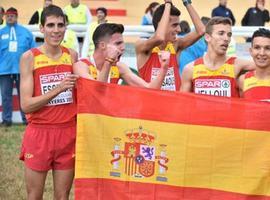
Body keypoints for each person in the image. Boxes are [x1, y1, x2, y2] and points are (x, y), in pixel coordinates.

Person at [19, 5, 78, 199]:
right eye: (50, 25)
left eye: (60, 25)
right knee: (35, 195)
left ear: (65, 27)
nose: (56, 30)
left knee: (63, 196)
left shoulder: (72, 55)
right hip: (40, 134)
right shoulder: (29, 58)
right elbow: (26, 105)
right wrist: (59, 88)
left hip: (68, 133)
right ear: (41, 28)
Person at [135, 0, 205, 91]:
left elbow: (201, 31)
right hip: (150, 104)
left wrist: (187, 2)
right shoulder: (142, 46)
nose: (179, 29)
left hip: (174, 104)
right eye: (174, 25)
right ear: (161, 25)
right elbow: (159, 37)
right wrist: (168, 3)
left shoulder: (176, 45)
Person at [74, 23, 169, 88]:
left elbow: (148, 89)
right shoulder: (81, 66)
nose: (123, 47)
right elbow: (96, 92)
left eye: (123, 43)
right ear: (103, 45)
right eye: (118, 43)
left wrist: (164, 68)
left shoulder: (119, 67)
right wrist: (108, 61)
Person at [181, 17, 255, 98]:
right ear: (207, 37)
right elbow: (182, 104)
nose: (226, 38)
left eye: (229, 35)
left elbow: (265, 66)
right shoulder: (190, 69)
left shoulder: (237, 65)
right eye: (221, 33)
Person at [0, 7, 35, 127]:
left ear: (16, 17)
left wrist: (31, 67)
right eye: (8, 16)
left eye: (12, 16)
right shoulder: (0, 32)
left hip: (23, 70)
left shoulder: (26, 32)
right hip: (4, 70)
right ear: (5, 17)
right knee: (5, 97)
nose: (10, 18)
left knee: (25, 96)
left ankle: (27, 119)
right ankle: (6, 120)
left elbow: (33, 50)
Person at [238, 28, 270, 102]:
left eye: (267, 48)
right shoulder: (242, 80)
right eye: (257, 47)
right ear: (251, 51)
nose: (262, 53)